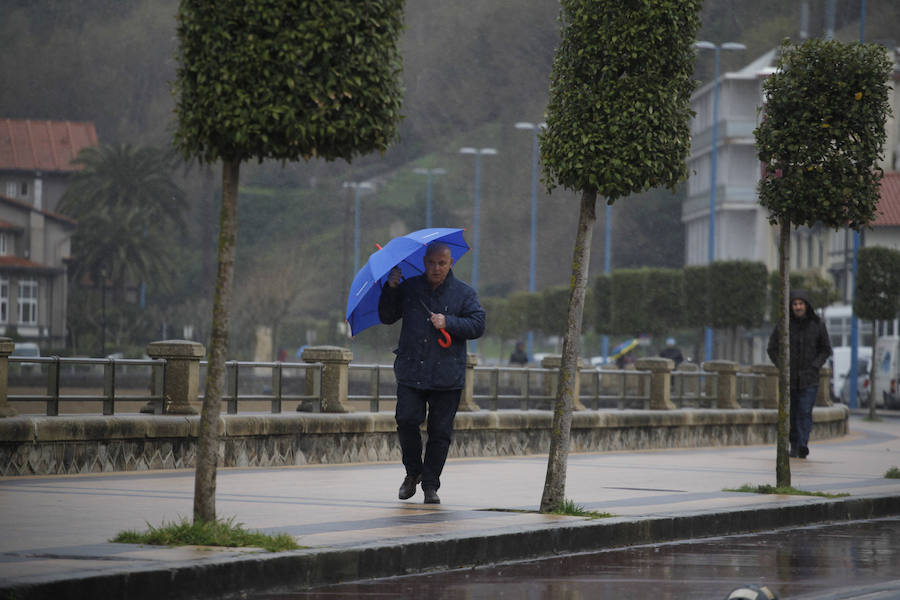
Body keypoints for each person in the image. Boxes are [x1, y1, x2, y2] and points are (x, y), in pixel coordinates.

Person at [378, 242, 486, 504]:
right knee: (406, 420)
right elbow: (387, 316)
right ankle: (412, 472)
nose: (436, 268)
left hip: (447, 376)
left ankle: (430, 484)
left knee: (440, 432)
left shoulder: (464, 294)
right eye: (431, 263)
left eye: (442, 263)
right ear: (424, 262)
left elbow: (477, 324)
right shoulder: (410, 288)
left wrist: (448, 322)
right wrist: (391, 289)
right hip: (411, 371)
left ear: (450, 264)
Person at [767, 289, 832, 459]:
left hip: (809, 379)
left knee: (804, 411)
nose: (797, 307)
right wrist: (782, 366)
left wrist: (815, 366)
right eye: (795, 304)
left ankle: (803, 443)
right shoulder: (783, 325)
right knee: (791, 413)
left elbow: (826, 349)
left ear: (806, 305)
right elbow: (772, 348)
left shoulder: (817, 324)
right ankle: (794, 445)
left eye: (800, 304)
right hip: (789, 379)